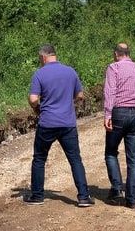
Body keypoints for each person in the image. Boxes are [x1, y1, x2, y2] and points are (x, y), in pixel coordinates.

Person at [25, 44, 93, 207]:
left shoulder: (40, 74)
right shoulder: (70, 71)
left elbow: (33, 99)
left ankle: (37, 196)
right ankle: (84, 197)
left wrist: (37, 108)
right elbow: (80, 95)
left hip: (47, 123)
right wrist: (68, 103)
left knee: (39, 159)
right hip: (67, 123)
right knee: (75, 159)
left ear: (43, 57)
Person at [103, 43, 135, 209]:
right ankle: (132, 199)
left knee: (110, 152)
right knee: (134, 160)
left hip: (119, 113)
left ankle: (116, 190)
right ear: (128, 53)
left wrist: (108, 114)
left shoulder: (113, 68)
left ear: (116, 54)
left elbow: (110, 92)